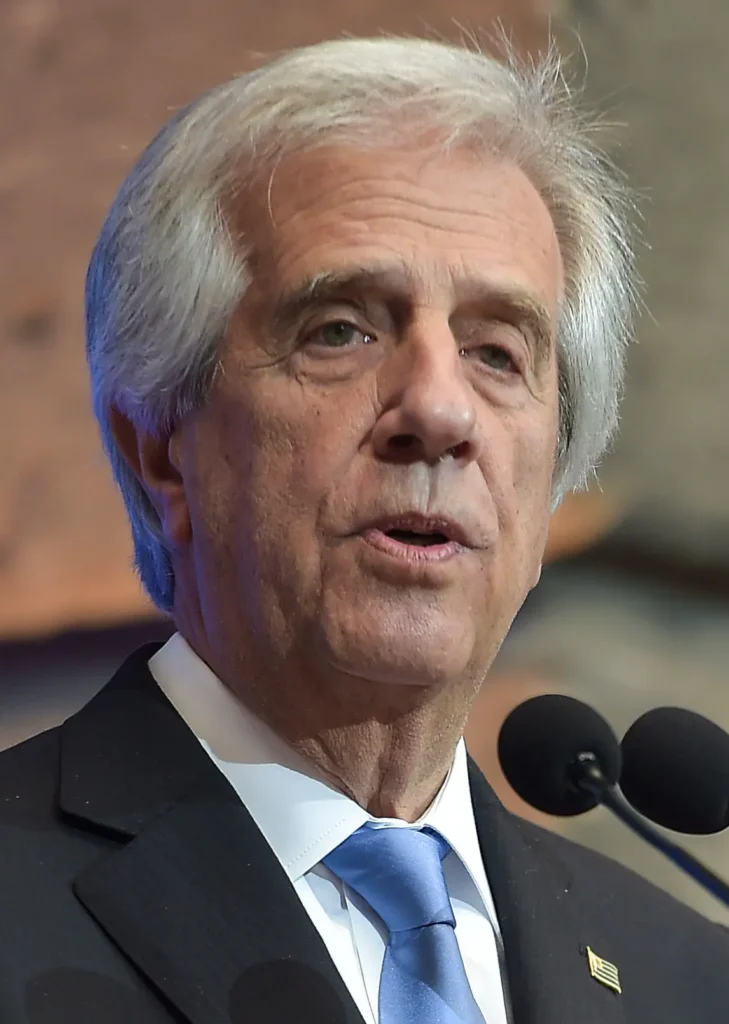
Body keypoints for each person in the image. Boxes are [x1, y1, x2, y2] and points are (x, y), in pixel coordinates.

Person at [0, 35, 726, 1024]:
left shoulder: (690, 980)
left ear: (552, 477)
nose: (440, 409)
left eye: (497, 353)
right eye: (341, 330)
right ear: (162, 449)